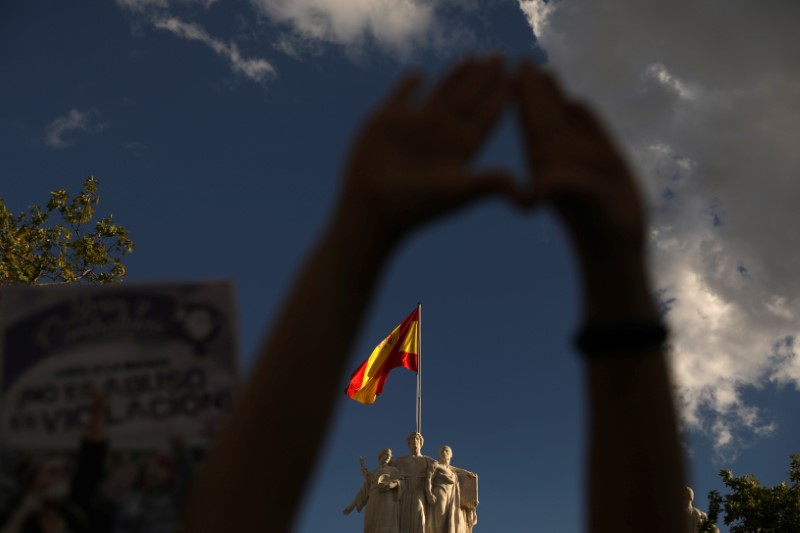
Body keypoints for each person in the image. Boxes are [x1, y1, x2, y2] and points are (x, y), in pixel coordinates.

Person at [184, 55, 686, 533]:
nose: (420, 444)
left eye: (426, 444)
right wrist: (617, 270)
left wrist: (356, 236)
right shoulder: (398, 465)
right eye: (419, 443)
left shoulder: (439, 467)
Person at [343, 448, 401, 533]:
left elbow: (401, 482)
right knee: (370, 524)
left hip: (388, 498)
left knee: (386, 524)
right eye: (385, 454)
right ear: (380, 457)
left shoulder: (394, 470)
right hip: (373, 498)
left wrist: (391, 485)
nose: (387, 457)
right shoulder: (373, 473)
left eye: (389, 455)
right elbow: (363, 490)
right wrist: (351, 506)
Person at [391, 433, 436, 533]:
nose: (414, 441)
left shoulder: (427, 460)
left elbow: (443, 467)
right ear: (409, 443)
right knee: (404, 519)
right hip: (405, 491)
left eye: (417, 439)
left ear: (421, 443)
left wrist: (463, 472)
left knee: (419, 513)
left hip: (419, 490)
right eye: (412, 440)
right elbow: (388, 470)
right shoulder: (401, 461)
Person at [429, 446, 476, 533]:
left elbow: (454, 468)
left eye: (446, 450)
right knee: (440, 517)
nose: (444, 452)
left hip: (451, 495)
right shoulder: (435, 465)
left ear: (451, 455)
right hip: (440, 492)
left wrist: (466, 472)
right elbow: (428, 480)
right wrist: (429, 494)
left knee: (449, 517)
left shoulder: (451, 470)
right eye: (442, 450)